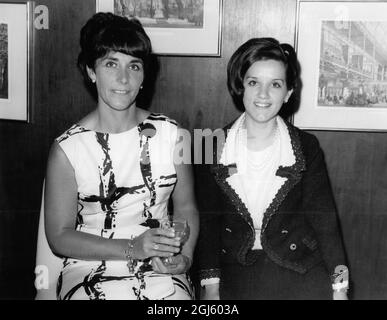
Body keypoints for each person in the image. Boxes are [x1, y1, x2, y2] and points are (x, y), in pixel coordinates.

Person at [44, 12, 198, 300]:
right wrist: (131, 247)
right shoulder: (68, 148)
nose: (123, 78)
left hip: (159, 267)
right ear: (91, 71)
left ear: (144, 75)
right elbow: (59, 236)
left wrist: (184, 258)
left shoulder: (173, 135)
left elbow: (187, 208)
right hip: (88, 267)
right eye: (111, 64)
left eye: (134, 66)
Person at [195, 38, 349, 300]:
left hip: (299, 265)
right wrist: (211, 288)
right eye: (254, 82)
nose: (263, 95)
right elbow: (208, 225)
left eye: (275, 84)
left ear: (288, 93)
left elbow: (326, 224)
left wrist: (340, 289)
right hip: (233, 269)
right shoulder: (207, 145)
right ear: (240, 86)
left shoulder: (306, 147)